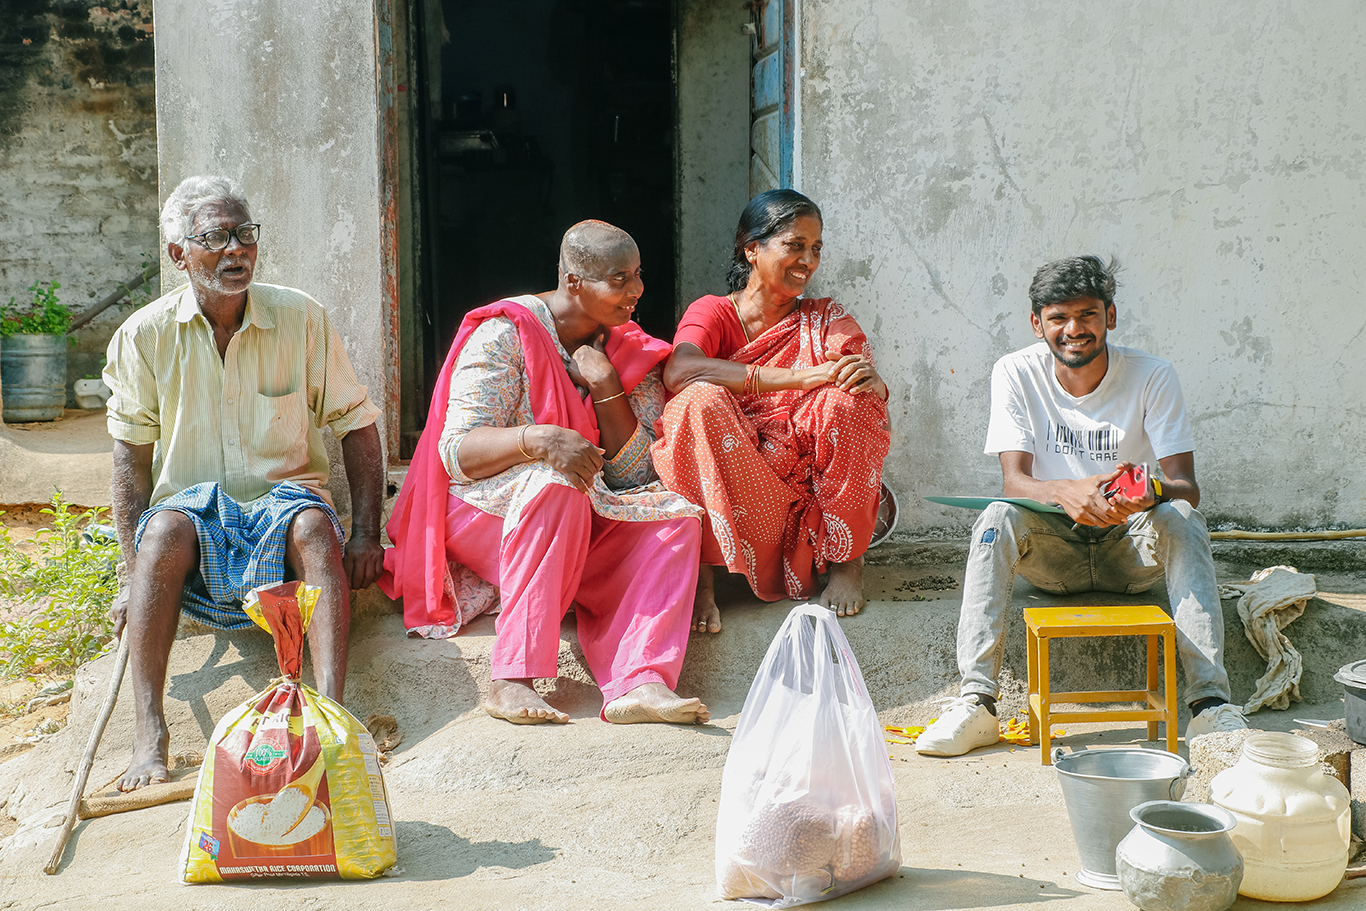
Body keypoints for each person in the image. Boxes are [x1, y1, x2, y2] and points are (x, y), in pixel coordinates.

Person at [103, 175, 385, 790]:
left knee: (314, 525)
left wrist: (367, 533)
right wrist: (130, 577)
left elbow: (357, 425)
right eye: (216, 238)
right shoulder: (143, 336)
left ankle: (328, 717)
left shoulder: (300, 317)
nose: (237, 251)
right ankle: (149, 731)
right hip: (193, 510)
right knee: (164, 533)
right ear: (180, 254)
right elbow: (130, 462)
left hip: (282, 504)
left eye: (245, 235)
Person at [915, 255, 1247, 757]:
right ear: (1037, 323)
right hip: (1056, 555)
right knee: (995, 517)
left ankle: (1210, 708)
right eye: (1058, 318)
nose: (1074, 330)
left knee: (1182, 518)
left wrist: (1145, 492)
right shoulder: (1015, 372)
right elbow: (1013, 482)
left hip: (1129, 552)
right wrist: (1065, 491)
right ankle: (977, 703)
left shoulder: (1152, 375)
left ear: (1110, 316)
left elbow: (1186, 487)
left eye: (1088, 315)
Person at [380, 220, 709, 726]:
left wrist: (604, 386)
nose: (636, 290)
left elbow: (637, 476)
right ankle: (512, 678)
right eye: (619, 279)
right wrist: (537, 439)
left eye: (638, 275)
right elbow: (457, 453)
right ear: (574, 280)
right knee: (557, 481)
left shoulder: (626, 348)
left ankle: (639, 682)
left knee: (675, 517)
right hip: (485, 513)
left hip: (579, 516)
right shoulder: (503, 334)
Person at [651, 190, 891, 633]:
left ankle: (847, 564)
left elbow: (854, 376)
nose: (808, 260)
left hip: (800, 479)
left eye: (816, 248)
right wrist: (795, 379)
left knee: (852, 400)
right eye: (795, 245)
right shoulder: (714, 312)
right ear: (752, 249)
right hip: (735, 472)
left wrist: (870, 381)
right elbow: (679, 369)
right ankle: (702, 579)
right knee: (695, 402)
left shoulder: (823, 318)